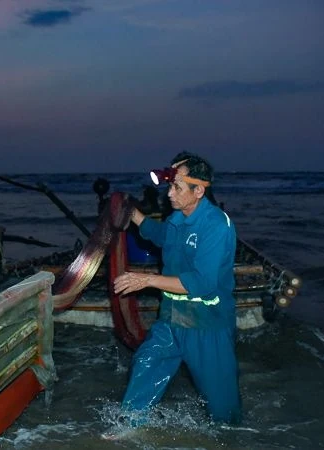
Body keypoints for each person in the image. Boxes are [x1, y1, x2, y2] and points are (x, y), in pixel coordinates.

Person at [109, 152, 241, 433]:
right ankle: (128, 427)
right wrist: (133, 214)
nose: (169, 194)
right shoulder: (177, 218)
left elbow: (203, 283)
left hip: (206, 323)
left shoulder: (216, 225)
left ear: (198, 191)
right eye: (169, 186)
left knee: (223, 409)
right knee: (146, 362)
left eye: (177, 187)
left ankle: (234, 437)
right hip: (171, 318)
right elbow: (161, 235)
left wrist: (146, 280)